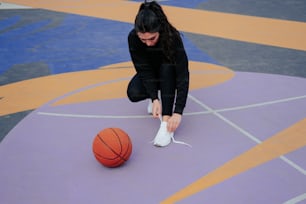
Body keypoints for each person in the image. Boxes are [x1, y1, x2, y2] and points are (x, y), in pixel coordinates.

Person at [127, 0, 189, 147]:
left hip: (169, 73)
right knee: (133, 93)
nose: (148, 43)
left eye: (152, 38)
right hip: (153, 73)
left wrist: (178, 112)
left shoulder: (173, 38)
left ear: (159, 30)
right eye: (143, 39)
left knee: (166, 68)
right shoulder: (133, 38)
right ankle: (156, 99)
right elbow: (143, 70)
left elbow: (182, 76)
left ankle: (165, 125)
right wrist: (154, 97)